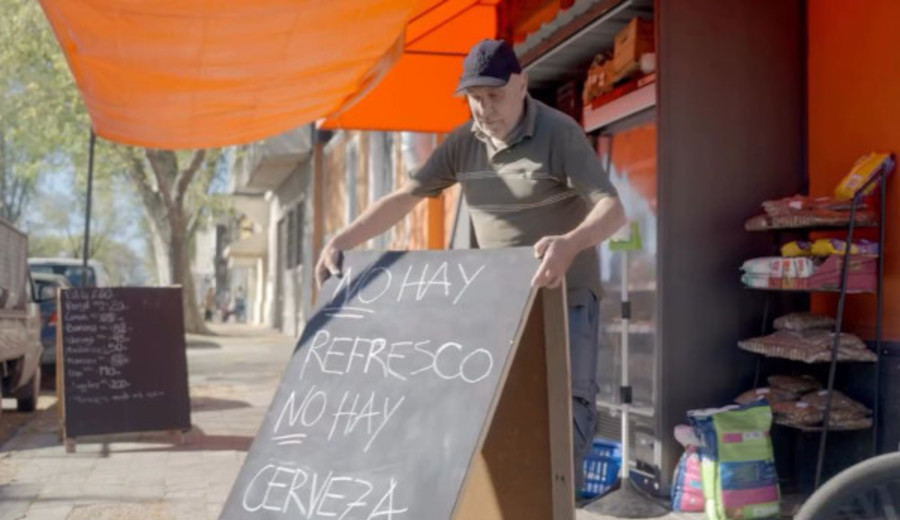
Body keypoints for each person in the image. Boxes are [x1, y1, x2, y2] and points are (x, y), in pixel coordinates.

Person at [315, 38, 626, 493]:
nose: (483, 109)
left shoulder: (559, 134)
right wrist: (342, 239)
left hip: (566, 293)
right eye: (474, 99)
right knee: (501, 408)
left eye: (493, 96)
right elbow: (405, 196)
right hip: (500, 299)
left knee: (567, 410)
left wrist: (571, 243)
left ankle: (556, 496)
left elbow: (613, 210)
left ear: (522, 84)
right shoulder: (463, 143)